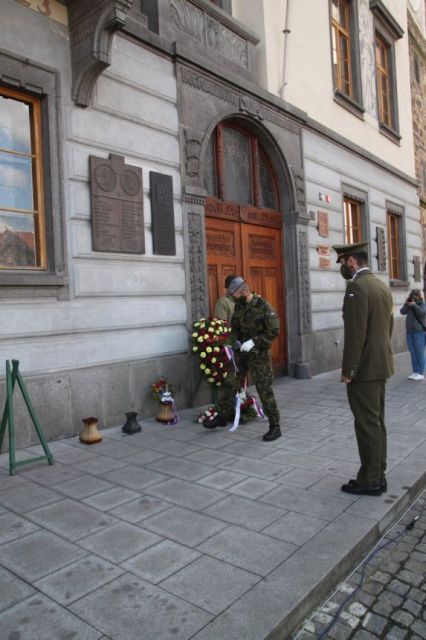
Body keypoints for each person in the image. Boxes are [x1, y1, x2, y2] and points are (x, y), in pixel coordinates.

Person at [332, 242, 394, 496]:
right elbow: (388, 326)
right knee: (376, 422)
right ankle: (377, 474)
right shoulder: (380, 284)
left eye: (343, 262)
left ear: (352, 261)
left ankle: (369, 480)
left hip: (365, 370)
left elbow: (355, 335)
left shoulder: (357, 287)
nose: (343, 268)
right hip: (380, 364)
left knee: (367, 424)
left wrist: (349, 370)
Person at [204, 276, 282, 442]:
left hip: (258, 356)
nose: (234, 299)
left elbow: (274, 330)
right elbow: (235, 329)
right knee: (230, 382)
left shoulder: (263, 307)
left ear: (245, 291)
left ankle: (275, 426)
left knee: (264, 390)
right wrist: (229, 343)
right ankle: (222, 416)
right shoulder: (239, 305)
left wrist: (254, 341)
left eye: (235, 295)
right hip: (241, 354)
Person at [400, 289, 426, 381]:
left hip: (419, 332)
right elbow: (402, 312)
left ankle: (421, 373)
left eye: (416, 295)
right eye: (412, 295)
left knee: (420, 353)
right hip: (409, 332)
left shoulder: (423, 304)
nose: (414, 297)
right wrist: (406, 304)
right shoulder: (409, 304)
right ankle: (415, 371)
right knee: (413, 353)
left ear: (419, 296)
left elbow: (422, 313)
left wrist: (415, 305)